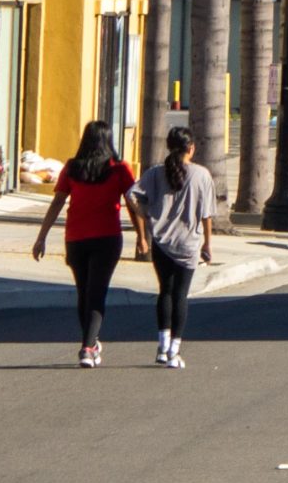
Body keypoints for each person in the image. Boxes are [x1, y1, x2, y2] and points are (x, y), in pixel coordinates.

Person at [31, 120, 140, 367]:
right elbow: (133, 204)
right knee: (96, 293)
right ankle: (88, 347)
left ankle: (90, 342)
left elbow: (57, 202)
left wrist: (42, 237)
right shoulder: (119, 168)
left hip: (76, 239)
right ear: (108, 141)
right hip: (107, 239)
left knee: (84, 292)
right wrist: (142, 236)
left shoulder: (72, 168)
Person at [128, 125, 215, 369]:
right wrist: (208, 244)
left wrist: (146, 214)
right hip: (188, 243)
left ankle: (162, 345)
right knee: (181, 295)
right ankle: (174, 348)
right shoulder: (202, 175)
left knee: (165, 291)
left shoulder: (155, 173)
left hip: (161, 242)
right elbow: (207, 214)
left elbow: (131, 194)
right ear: (191, 148)